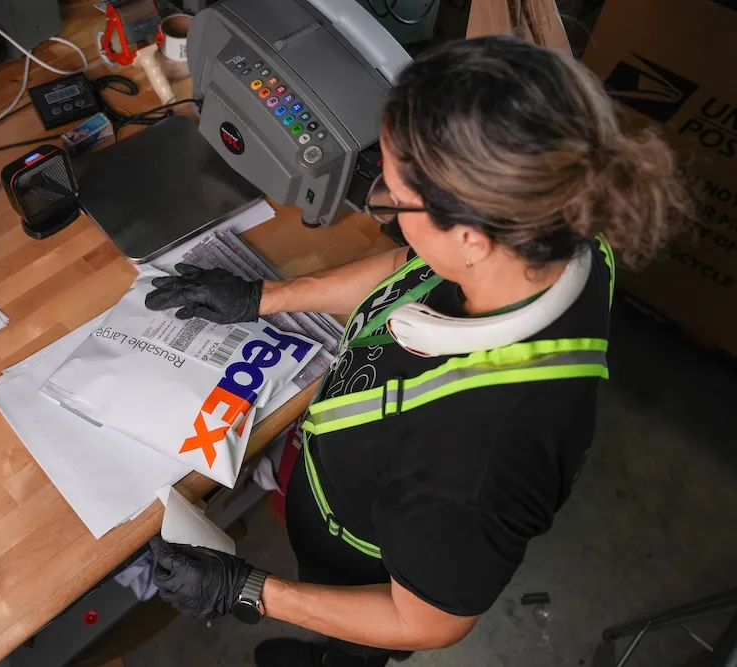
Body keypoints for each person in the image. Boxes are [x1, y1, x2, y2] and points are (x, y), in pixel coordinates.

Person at [143, 36, 689, 667]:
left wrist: (250, 591)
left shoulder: (478, 463)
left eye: (396, 201)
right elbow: (415, 266)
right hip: (347, 499)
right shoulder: (557, 225)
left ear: (472, 238)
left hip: (368, 573)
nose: (389, 213)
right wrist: (263, 295)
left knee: (350, 651)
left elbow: (424, 620)